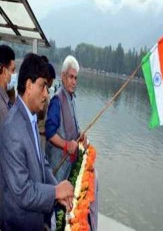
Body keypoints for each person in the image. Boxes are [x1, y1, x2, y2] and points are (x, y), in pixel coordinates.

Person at [0, 53, 74, 230]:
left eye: (47, 88)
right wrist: (55, 192)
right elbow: (22, 192)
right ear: (28, 85)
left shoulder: (30, 118)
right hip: (19, 224)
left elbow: (43, 163)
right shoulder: (12, 128)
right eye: (42, 86)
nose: (46, 94)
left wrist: (57, 187)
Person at [45, 55, 98, 230]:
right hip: (57, 167)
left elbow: (71, 129)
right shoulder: (56, 100)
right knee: (54, 210)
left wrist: (79, 135)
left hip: (69, 166)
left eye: (76, 78)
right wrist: (67, 145)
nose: (74, 81)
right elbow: (50, 132)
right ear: (63, 76)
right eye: (71, 77)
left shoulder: (71, 98)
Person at [0, 44, 16, 125]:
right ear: (4, 71)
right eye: (12, 70)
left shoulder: (6, 99)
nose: (14, 74)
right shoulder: (2, 108)